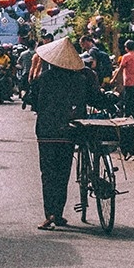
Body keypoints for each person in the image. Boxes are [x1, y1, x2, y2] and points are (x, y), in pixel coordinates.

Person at [29, 35, 97, 229]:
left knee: (48, 173)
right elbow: (93, 99)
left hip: (46, 132)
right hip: (69, 132)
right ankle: (57, 213)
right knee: (62, 173)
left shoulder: (43, 79)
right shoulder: (79, 80)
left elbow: (32, 101)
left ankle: (50, 213)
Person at [115, 40, 134, 120]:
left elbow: (120, 68)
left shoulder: (126, 56)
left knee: (127, 100)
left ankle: (128, 116)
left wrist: (113, 79)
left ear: (127, 48)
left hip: (128, 82)